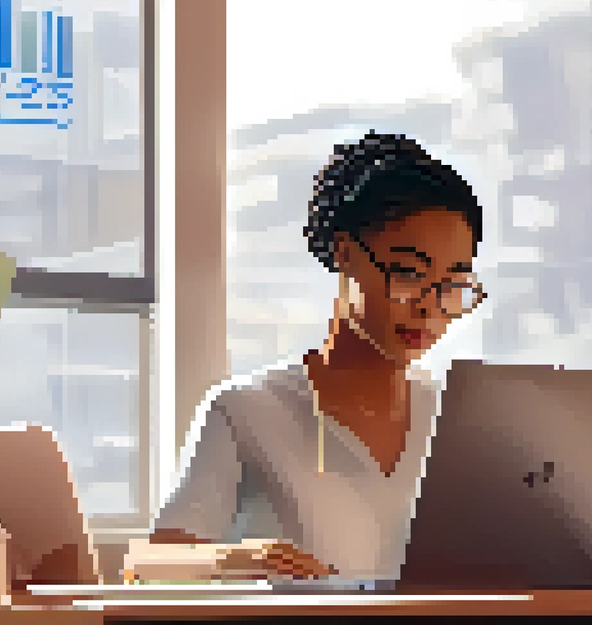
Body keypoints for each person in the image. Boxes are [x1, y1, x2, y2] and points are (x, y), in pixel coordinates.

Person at [145, 131, 486, 581]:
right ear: (345, 254)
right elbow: (149, 566)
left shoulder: (461, 423)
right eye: (408, 273)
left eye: (451, 287)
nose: (428, 307)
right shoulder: (246, 412)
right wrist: (236, 559)